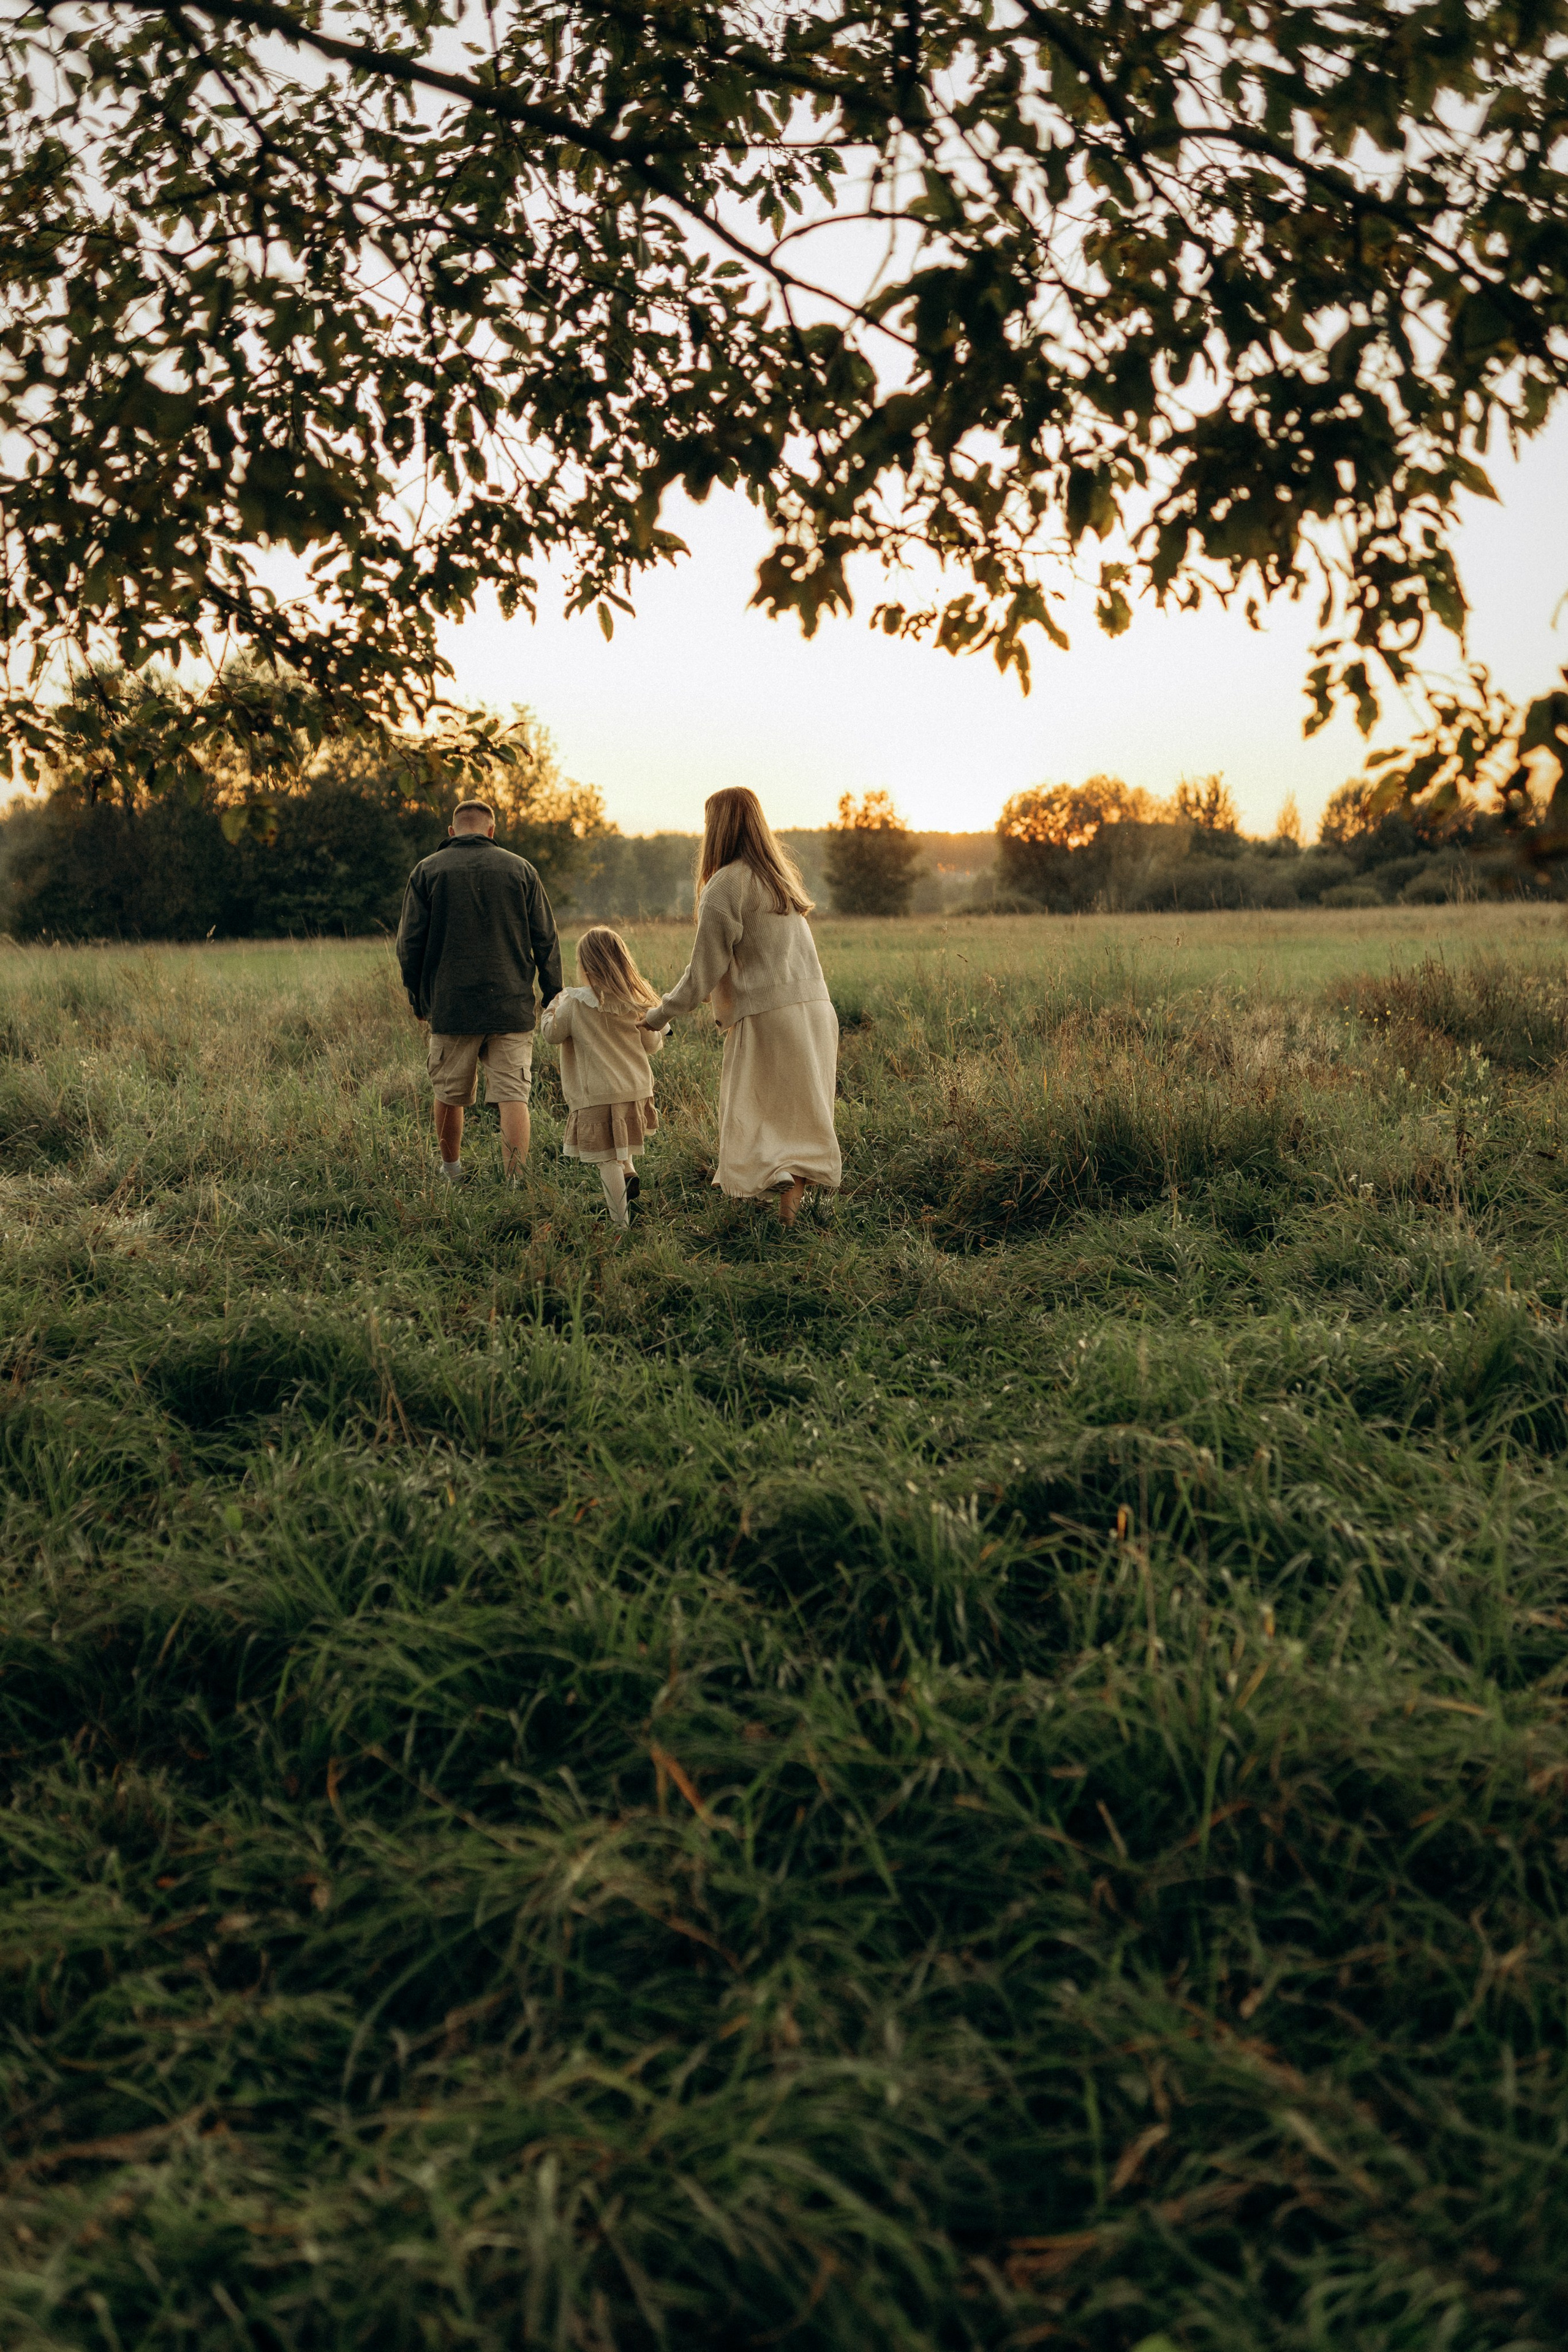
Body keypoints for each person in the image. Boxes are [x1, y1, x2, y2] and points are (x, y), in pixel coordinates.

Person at [643, 786, 840, 1225]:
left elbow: (701, 974)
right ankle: (787, 1221)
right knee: (800, 1121)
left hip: (769, 1017)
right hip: (816, 1013)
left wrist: (657, 1016)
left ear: (718, 828)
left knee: (749, 1112)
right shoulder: (781, 880)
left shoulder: (724, 885)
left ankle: (744, 1216)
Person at [394, 798, 562, 1183]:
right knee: (513, 1096)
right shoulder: (521, 869)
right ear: (492, 832)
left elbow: (409, 944)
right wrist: (553, 997)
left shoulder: (427, 871)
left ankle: (451, 1171)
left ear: (451, 833)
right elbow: (546, 940)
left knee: (449, 1093)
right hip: (512, 1006)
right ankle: (516, 1181)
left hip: (451, 1007)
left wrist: (418, 998)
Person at [538, 927, 668, 1228]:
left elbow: (551, 1034)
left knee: (606, 1157)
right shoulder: (637, 1000)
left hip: (596, 1094)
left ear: (584, 966)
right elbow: (652, 1045)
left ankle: (619, 1223)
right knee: (620, 1143)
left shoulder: (573, 1001)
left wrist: (551, 1006)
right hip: (635, 1091)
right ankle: (629, 1172)